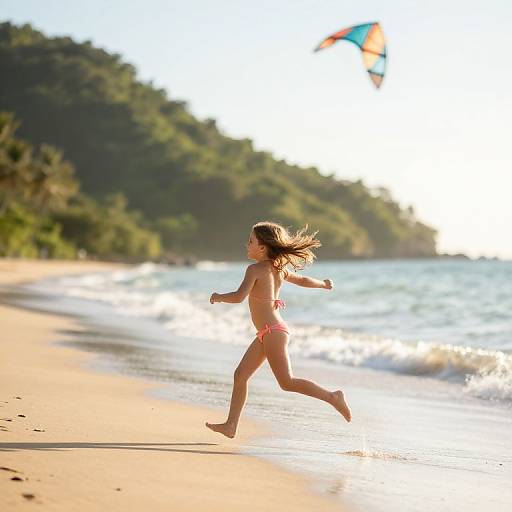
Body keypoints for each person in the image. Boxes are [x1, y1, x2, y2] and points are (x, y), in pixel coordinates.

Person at [206, 221, 352, 439]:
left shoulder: (254, 269)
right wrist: (322, 284)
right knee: (240, 375)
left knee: (287, 382)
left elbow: (238, 297)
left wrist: (218, 297)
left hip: (273, 332)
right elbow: (302, 280)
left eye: (251, 241)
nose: (246, 244)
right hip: (269, 332)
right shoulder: (278, 269)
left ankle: (333, 397)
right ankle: (231, 425)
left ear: (263, 247)